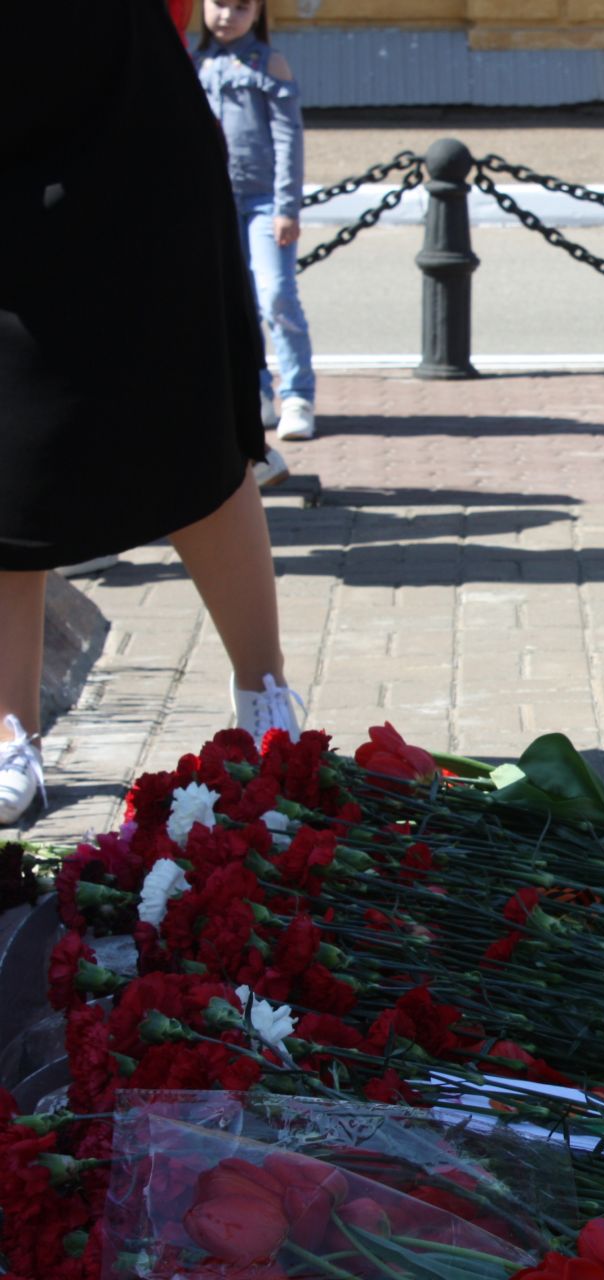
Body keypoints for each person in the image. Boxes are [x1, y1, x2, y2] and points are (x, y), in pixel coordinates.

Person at [1, 0, 304, 829]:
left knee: (192, 437)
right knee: (6, 462)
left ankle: (265, 697)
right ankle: (9, 731)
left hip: (131, 142)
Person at [197, 0, 317, 443]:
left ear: (258, 12)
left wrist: (287, 206)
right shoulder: (196, 63)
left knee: (276, 294)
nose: (228, 15)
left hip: (265, 201)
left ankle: (298, 396)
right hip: (218, 203)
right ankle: (255, 391)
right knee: (235, 305)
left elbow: (289, 138)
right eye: (219, 4)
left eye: (241, 6)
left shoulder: (270, 63)